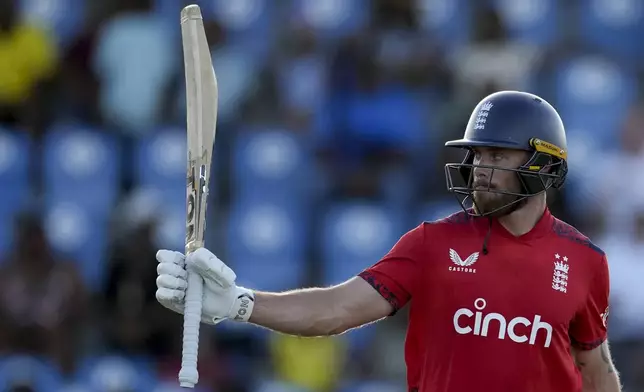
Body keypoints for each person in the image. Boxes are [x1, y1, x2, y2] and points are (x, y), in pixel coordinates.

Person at [155, 91, 622, 392]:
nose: (480, 167)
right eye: (477, 154)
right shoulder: (431, 243)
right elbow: (334, 310)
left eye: (497, 154)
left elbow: (596, 369)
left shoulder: (585, 261)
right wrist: (240, 303)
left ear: (543, 163)